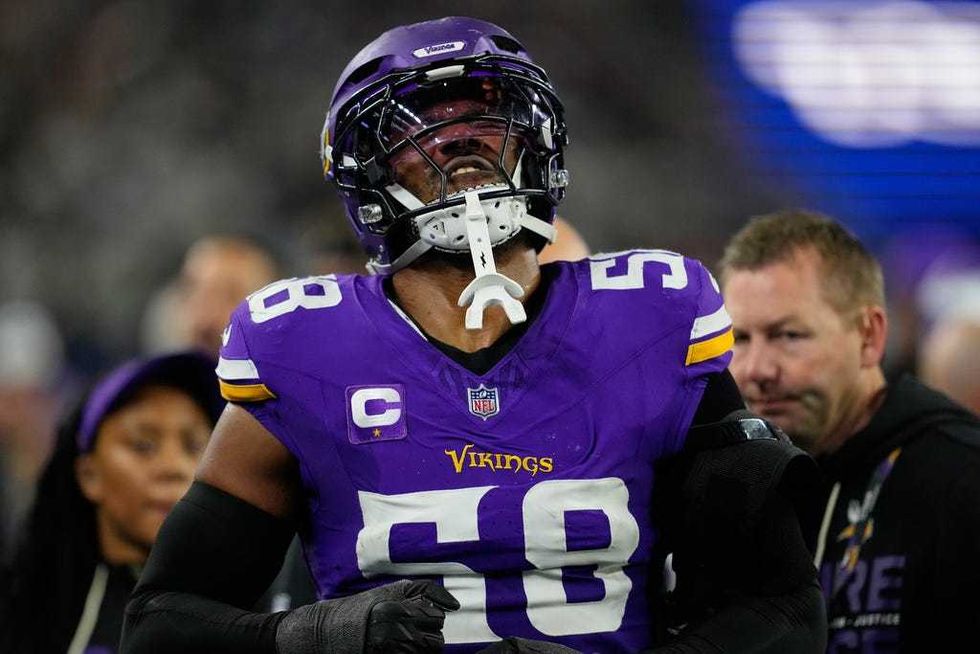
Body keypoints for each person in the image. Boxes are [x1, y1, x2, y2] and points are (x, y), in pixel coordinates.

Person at [121, 17, 825, 654]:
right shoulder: (303, 348)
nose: (461, 139)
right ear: (366, 171)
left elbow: (785, 609)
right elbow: (159, 623)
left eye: (489, 115)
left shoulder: (651, 321)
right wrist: (316, 636)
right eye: (419, 126)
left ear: (538, 141)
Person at [719, 209, 980, 653]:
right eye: (739, 339)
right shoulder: (733, 491)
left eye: (788, 335)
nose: (756, 370)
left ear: (869, 336)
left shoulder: (962, 481)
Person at [0, 351, 224, 654]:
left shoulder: (253, 612)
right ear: (89, 475)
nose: (175, 467)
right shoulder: (25, 617)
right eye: (144, 445)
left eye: (194, 446)